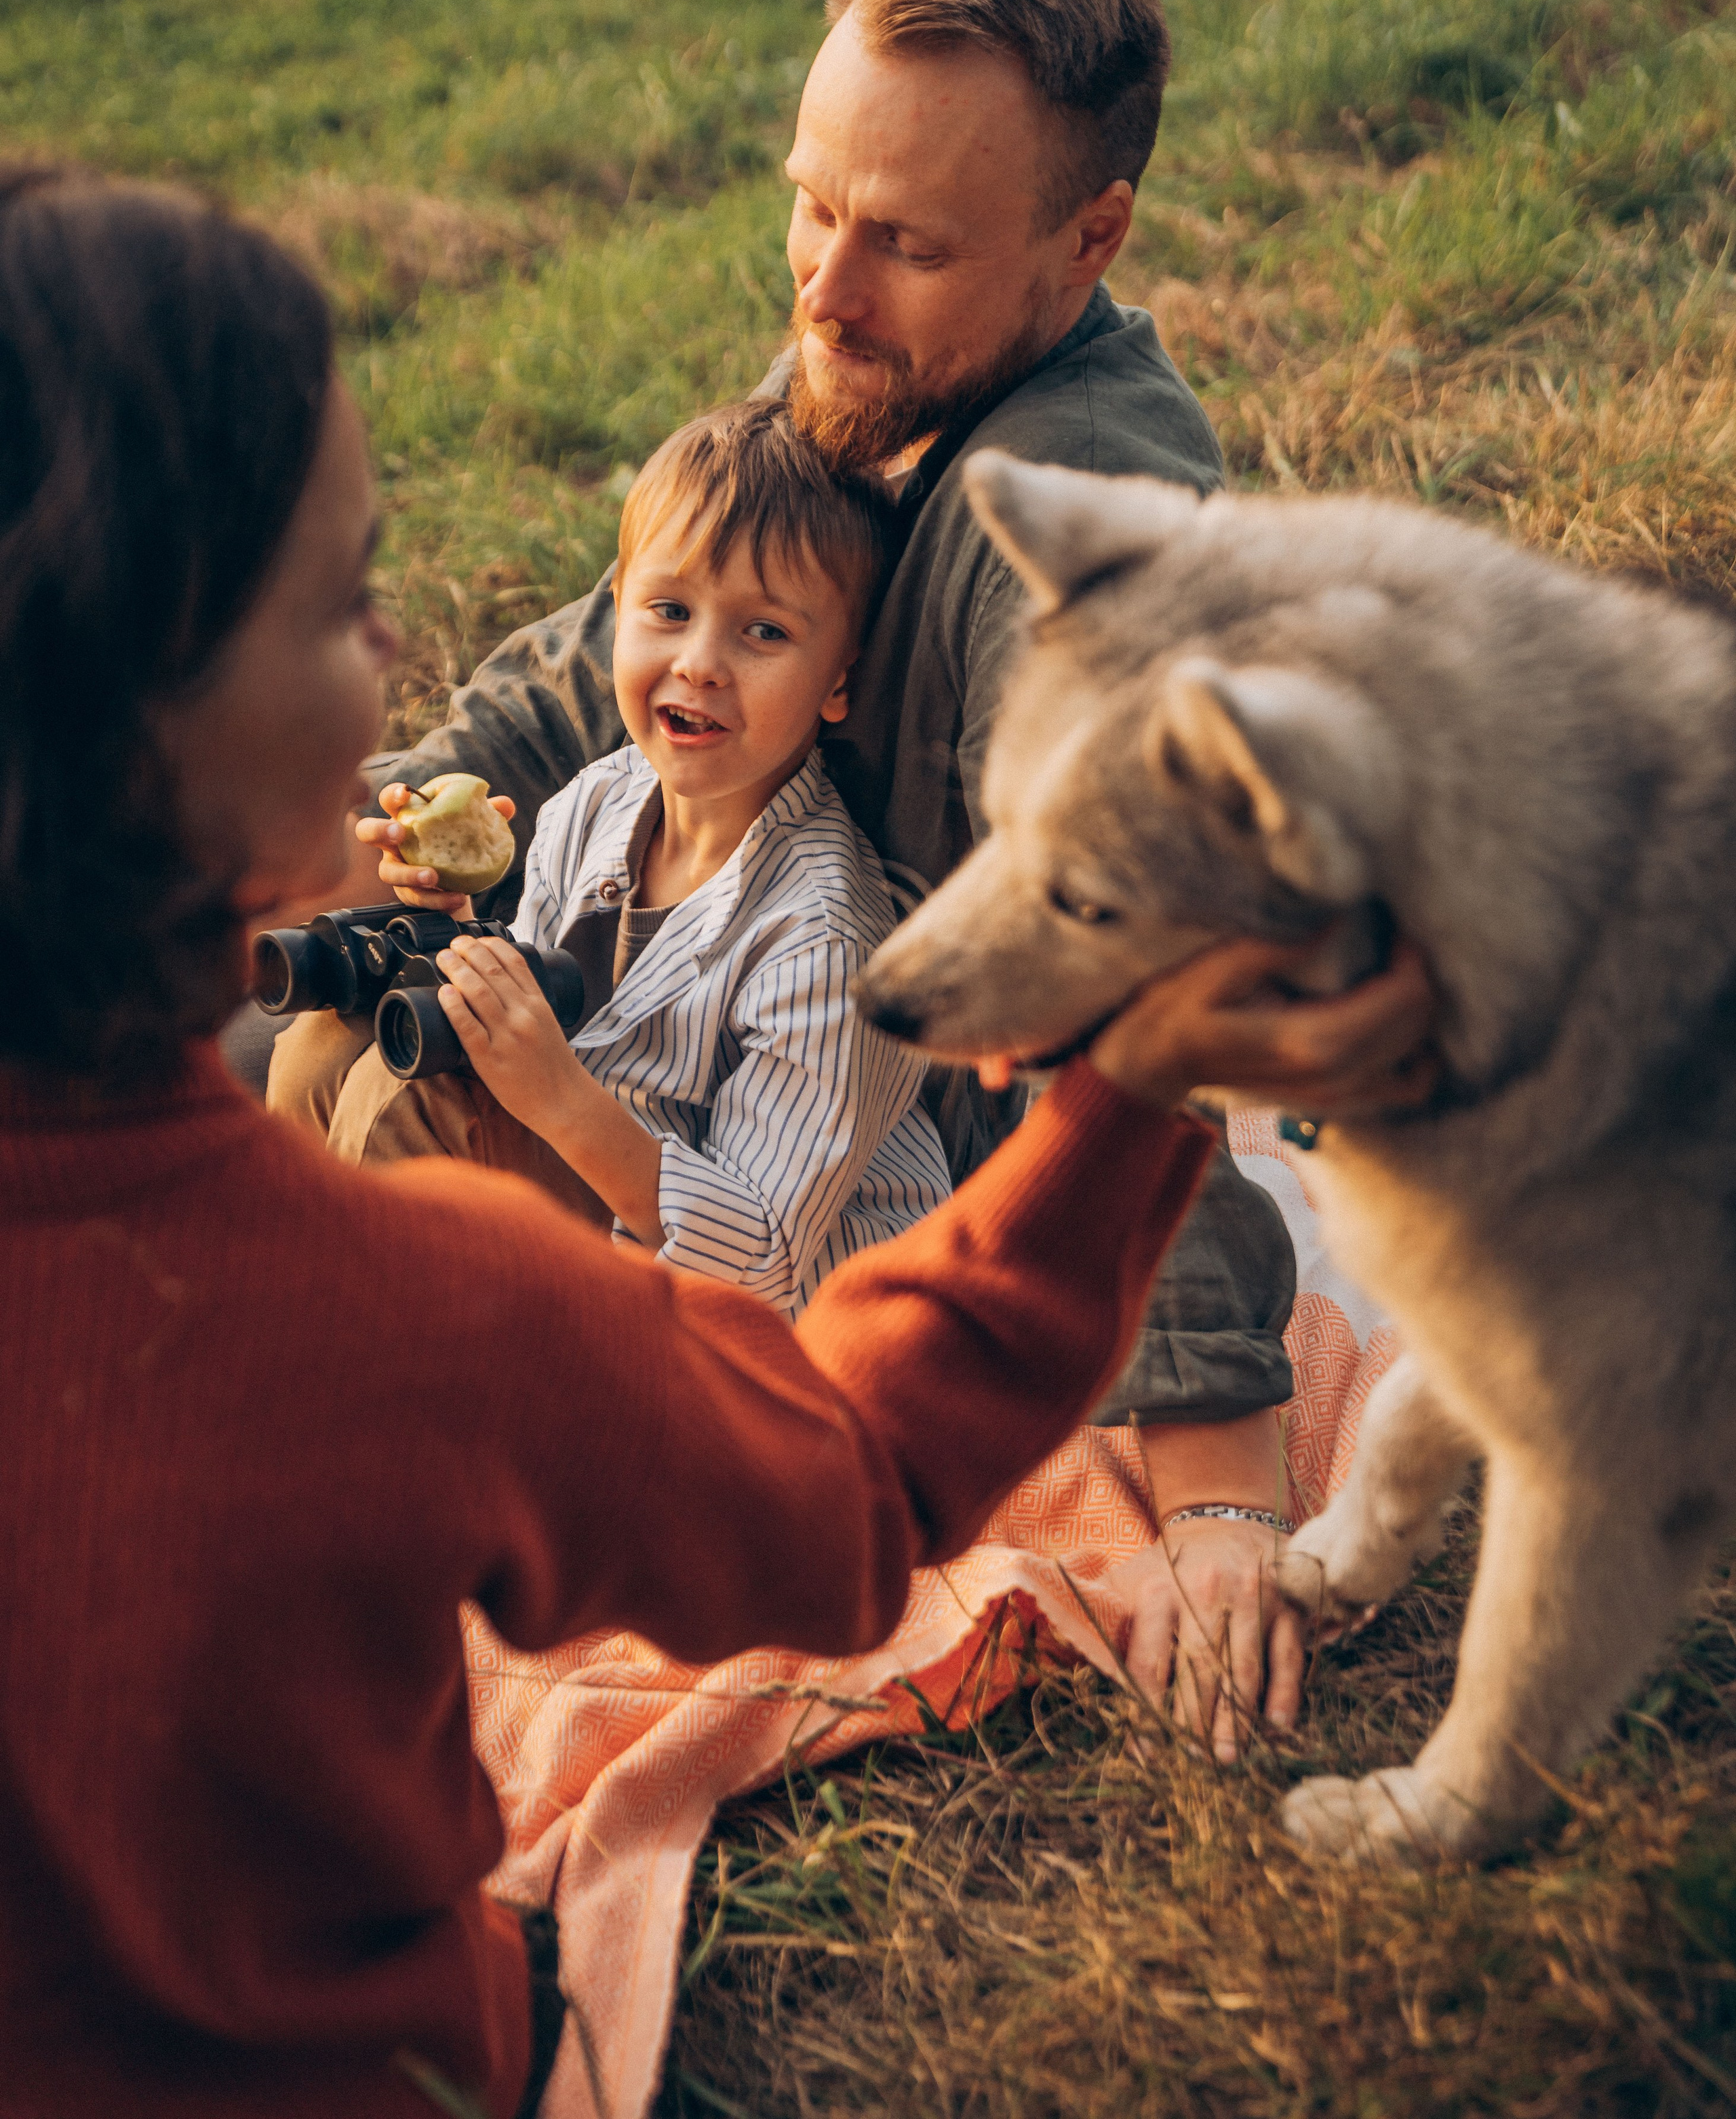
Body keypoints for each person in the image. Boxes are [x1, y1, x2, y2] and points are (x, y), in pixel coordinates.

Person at [0, 168, 1433, 2112]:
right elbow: (850, 1483)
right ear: (156, 733)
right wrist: (1124, 1098)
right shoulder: (414, 1315)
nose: (400, 663)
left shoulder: (778, 910)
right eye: (345, 606)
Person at [319, 0, 1384, 1746]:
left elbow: (1161, 993)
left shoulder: (1084, 532)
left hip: (854, 1170)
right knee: (277, 1011)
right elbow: (598, 663)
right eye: (814, 202)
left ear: (1090, 238)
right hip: (672, 1011)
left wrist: (1218, 1475)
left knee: (372, 1121)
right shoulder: (873, 358)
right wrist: (384, 813)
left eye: (898, 238)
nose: (823, 280)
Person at [271, 400, 953, 1319]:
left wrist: (560, 1101)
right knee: (325, 1046)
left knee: (414, 1104)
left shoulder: (830, 941)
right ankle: (298, 1306)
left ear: (841, 680)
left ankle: (375, 1384)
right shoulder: (600, 799)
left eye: (764, 633)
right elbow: (543, 1000)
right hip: (600, 1208)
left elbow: (760, 1255)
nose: (700, 664)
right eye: (669, 611)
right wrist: (453, 933)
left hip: (766, 1317)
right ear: (619, 613)